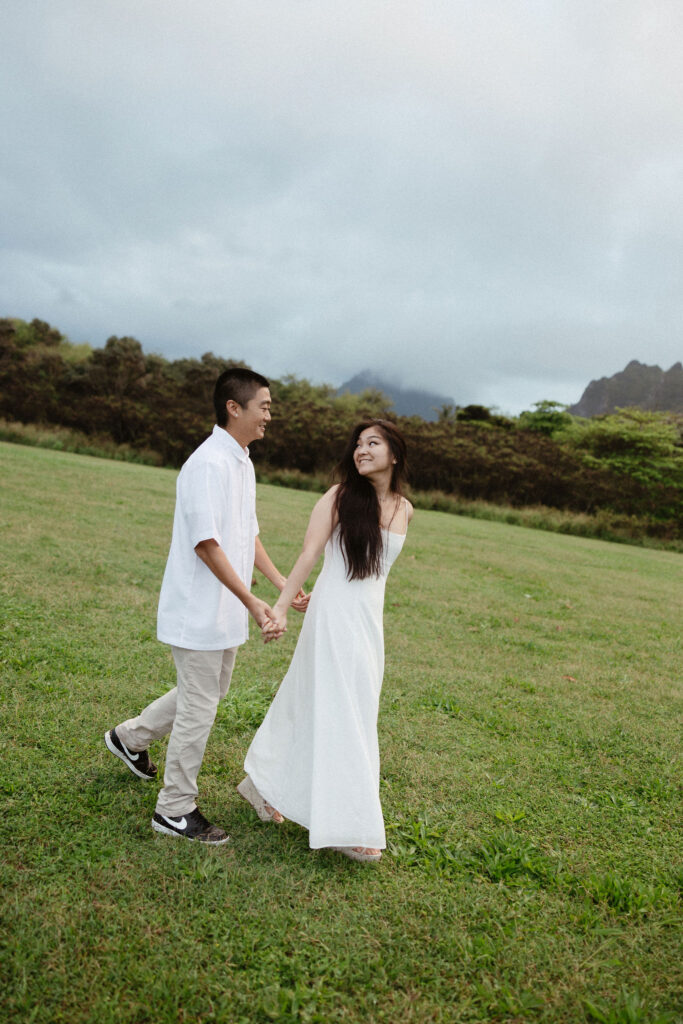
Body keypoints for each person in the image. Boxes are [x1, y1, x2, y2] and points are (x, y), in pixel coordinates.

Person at [105, 368, 307, 845]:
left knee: (209, 693)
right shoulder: (207, 464)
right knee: (199, 707)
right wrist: (253, 601)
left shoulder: (242, 461)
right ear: (233, 408)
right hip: (198, 608)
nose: (269, 416)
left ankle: (129, 739)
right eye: (264, 406)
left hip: (226, 610)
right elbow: (207, 544)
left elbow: (247, 533)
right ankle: (174, 810)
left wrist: (281, 585)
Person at [237, 419, 413, 862]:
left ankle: (260, 783)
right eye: (357, 444)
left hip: (368, 623)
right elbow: (309, 555)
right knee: (343, 712)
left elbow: (372, 574)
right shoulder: (337, 497)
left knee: (328, 702)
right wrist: (278, 608)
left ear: (394, 454)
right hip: (332, 617)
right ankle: (346, 823)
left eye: (373, 443)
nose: (361, 450)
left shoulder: (404, 509)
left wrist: (338, 586)